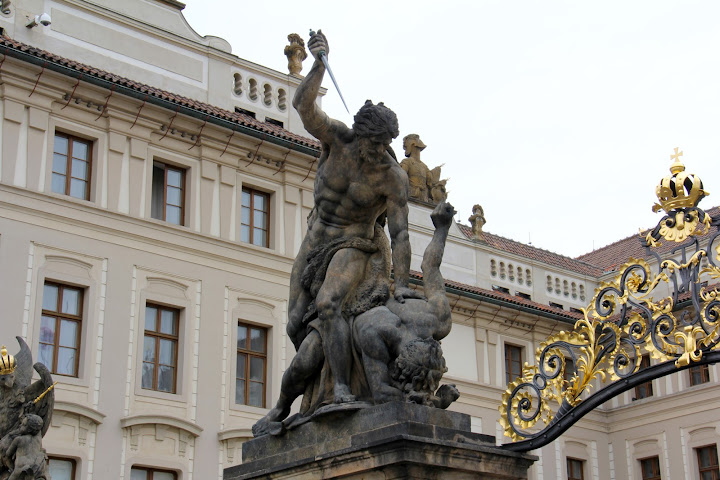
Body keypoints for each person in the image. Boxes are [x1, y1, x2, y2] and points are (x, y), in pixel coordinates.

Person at [286, 29, 421, 407]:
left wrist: (402, 283)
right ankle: (319, 388)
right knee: (294, 324)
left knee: (329, 303)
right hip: (316, 239)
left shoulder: (391, 177)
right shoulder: (337, 139)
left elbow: (401, 235)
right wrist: (318, 65)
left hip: (355, 244)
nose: (380, 150)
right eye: (374, 143)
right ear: (360, 134)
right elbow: (303, 107)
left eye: (385, 144)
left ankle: (343, 387)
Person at [253, 202, 458, 436]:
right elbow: (382, 393)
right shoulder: (376, 332)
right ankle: (281, 407)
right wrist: (433, 402)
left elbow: (431, 265)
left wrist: (441, 229)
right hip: (351, 303)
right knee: (303, 363)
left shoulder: (438, 318)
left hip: (361, 302)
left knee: (305, 360)